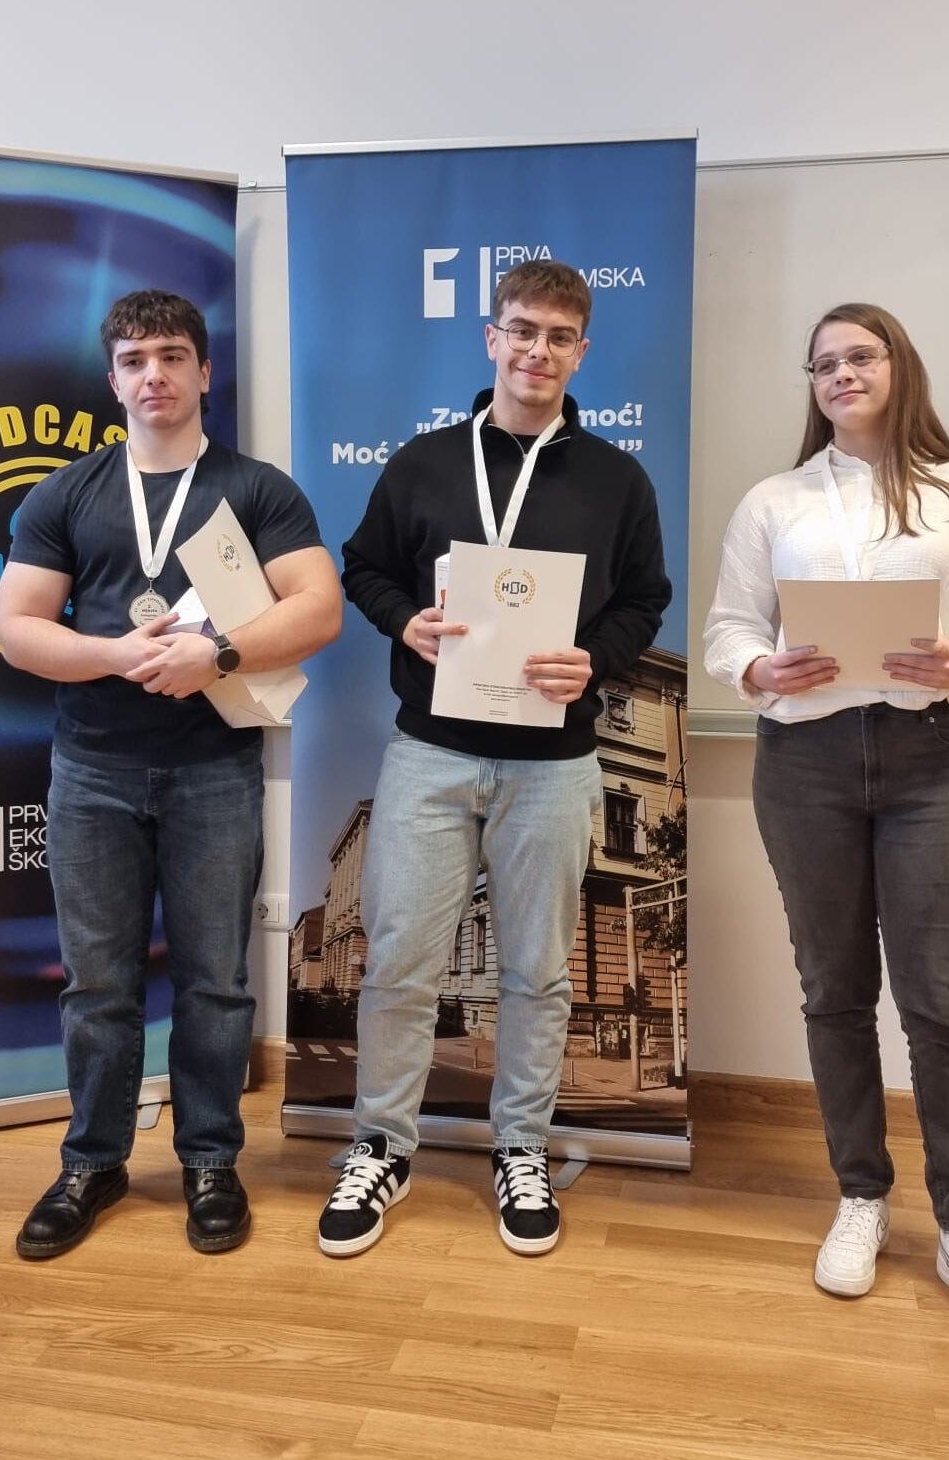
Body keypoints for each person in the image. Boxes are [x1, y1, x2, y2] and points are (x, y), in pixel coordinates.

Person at [704, 303, 949, 1345]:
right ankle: (861, 1194)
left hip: (933, 757)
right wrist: (759, 668)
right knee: (835, 991)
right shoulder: (774, 500)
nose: (841, 374)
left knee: (942, 1003)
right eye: (822, 365)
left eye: (860, 356)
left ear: (900, 366)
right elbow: (728, 630)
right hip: (803, 763)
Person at [319, 260, 671, 1258]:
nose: (537, 350)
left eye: (558, 336)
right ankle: (381, 1145)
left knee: (537, 971)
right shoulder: (425, 462)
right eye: (521, 330)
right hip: (431, 753)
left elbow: (645, 598)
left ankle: (521, 1145)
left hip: (554, 764)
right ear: (491, 338)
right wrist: (407, 620)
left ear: (581, 351)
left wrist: (597, 658)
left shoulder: (616, 480)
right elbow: (364, 566)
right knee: (400, 963)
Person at [0, 290, 342, 1258]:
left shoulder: (258, 489)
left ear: (203, 372)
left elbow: (318, 608)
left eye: (173, 355)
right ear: (114, 380)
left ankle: (210, 1161)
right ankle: (92, 1160)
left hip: (213, 771)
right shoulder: (65, 493)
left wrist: (216, 653)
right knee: (98, 984)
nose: (155, 374)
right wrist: (118, 654)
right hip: (93, 771)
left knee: (215, 982)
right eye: (136, 359)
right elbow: (18, 628)